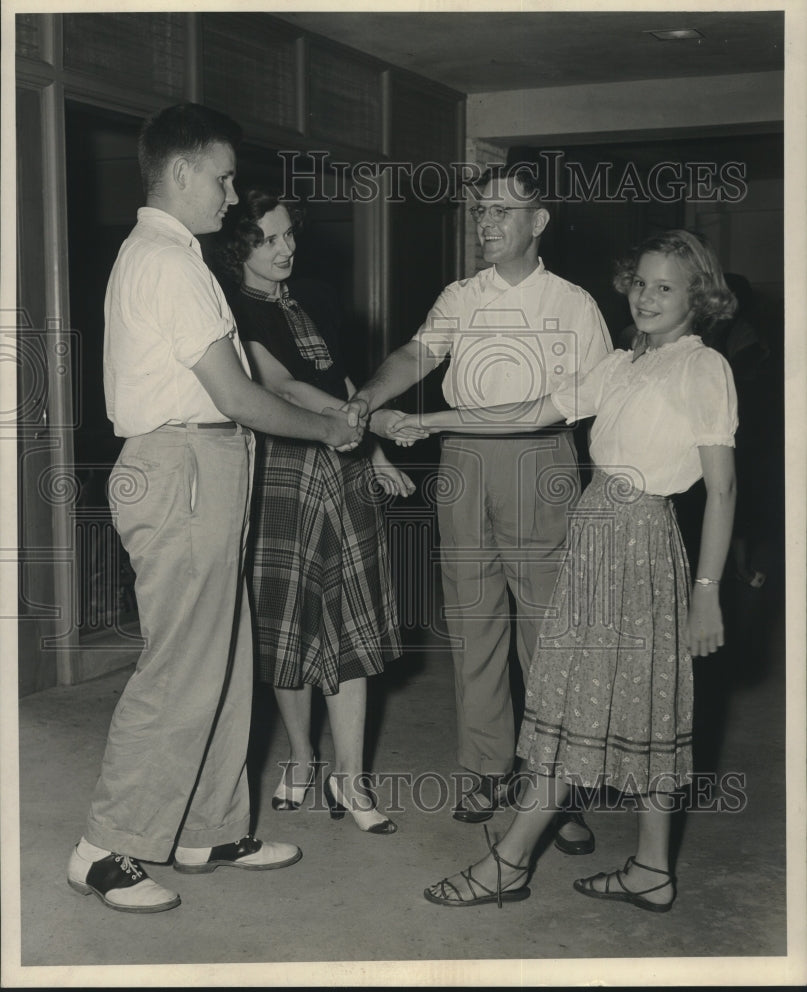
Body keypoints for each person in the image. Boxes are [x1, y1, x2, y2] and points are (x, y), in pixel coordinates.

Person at [67, 103, 364, 914]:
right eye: (226, 177)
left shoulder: (176, 257)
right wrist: (327, 432)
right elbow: (237, 394)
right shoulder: (167, 262)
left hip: (207, 462)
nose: (233, 196)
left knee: (226, 656)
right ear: (184, 170)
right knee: (178, 665)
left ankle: (210, 827)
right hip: (183, 463)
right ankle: (107, 845)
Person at [396, 228, 738, 911]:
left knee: (592, 699)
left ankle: (509, 861)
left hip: (640, 546)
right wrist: (431, 419)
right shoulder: (623, 364)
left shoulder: (702, 369)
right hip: (593, 539)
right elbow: (529, 412)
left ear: (695, 297)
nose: (646, 296)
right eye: (639, 283)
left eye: (664, 287)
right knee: (624, 701)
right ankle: (649, 867)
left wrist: (707, 593)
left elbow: (723, 490)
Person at [350, 167, 612, 852]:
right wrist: (368, 400)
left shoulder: (573, 304)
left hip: (538, 463)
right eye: (479, 212)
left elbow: (551, 409)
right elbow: (415, 354)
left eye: (501, 211)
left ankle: (555, 785)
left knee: (545, 633)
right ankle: (483, 768)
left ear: (539, 221)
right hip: (462, 464)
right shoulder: (459, 296)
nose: (485, 224)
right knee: (472, 620)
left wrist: (428, 419)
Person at [217, 189, 413, 834]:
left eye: (288, 236)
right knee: (289, 623)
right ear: (240, 246)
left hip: (346, 459)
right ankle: (302, 759)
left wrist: (376, 450)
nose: (284, 249)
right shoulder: (230, 307)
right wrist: (343, 422)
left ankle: (350, 779)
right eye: (268, 240)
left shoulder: (320, 296)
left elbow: (346, 383)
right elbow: (280, 387)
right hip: (283, 469)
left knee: (350, 618)